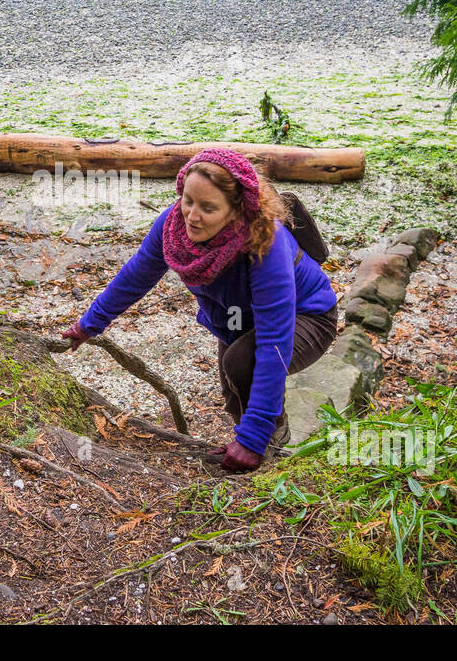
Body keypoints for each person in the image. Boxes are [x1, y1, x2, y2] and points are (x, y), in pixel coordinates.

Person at [61, 147, 339, 473]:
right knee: (232, 388)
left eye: (208, 208)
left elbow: (275, 338)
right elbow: (136, 276)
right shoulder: (173, 226)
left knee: (240, 364)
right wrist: (89, 324)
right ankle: (247, 439)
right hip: (236, 318)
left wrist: (255, 436)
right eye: (188, 200)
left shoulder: (264, 242)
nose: (192, 215)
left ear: (236, 211)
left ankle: (268, 439)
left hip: (308, 316)